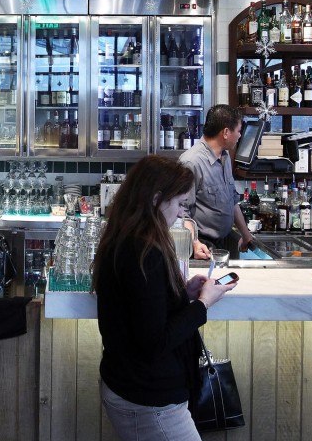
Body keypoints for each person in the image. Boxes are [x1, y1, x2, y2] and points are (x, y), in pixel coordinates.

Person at [93, 155, 236, 441]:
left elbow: (140, 307)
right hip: (148, 399)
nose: (182, 214)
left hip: (131, 387)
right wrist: (202, 304)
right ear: (157, 199)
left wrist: (181, 294)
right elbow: (154, 343)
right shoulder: (145, 252)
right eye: (181, 204)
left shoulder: (125, 238)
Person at [179, 104, 255, 258]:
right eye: (238, 131)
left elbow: (232, 200)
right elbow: (182, 212)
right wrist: (194, 243)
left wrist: (246, 235)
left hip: (225, 241)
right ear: (226, 132)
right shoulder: (191, 162)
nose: (240, 136)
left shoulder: (225, 157)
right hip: (203, 245)